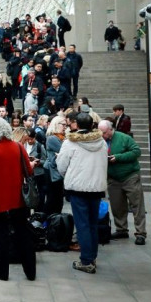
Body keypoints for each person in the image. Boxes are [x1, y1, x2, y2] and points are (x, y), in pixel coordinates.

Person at [0, 117, 38, 281]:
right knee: (23, 234)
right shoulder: (18, 147)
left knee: (1, 236)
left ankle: (2, 271)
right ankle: (30, 272)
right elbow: (29, 170)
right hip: (18, 198)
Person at [55, 112, 108, 274]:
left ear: (76, 124)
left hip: (78, 188)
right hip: (97, 188)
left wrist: (69, 174)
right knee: (92, 223)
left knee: (82, 225)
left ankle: (86, 260)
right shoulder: (101, 141)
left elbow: (61, 165)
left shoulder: (71, 142)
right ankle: (92, 256)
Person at [98, 120, 147, 245]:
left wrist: (118, 157)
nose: (102, 135)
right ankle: (121, 229)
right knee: (117, 206)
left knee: (137, 205)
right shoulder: (101, 140)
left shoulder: (124, 138)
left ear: (110, 129)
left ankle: (140, 233)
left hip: (129, 176)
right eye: (100, 132)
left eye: (104, 132)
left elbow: (136, 151)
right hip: (113, 178)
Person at [44, 115, 67, 215]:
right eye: (63, 125)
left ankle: (56, 221)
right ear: (56, 125)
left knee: (58, 199)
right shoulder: (52, 138)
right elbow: (66, 151)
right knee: (53, 199)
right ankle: (50, 222)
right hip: (52, 172)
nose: (66, 127)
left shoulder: (62, 137)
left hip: (57, 172)